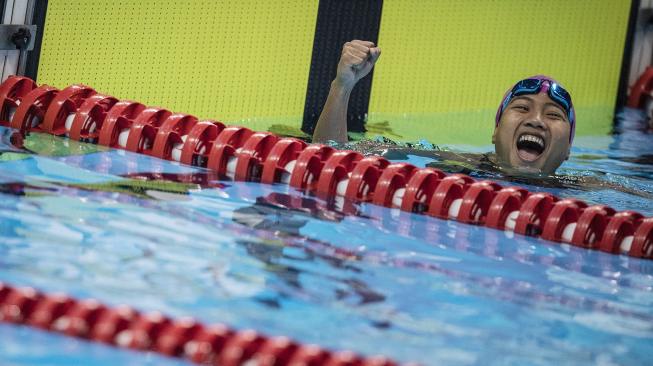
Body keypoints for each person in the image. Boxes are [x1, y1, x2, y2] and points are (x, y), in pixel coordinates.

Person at [312, 40, 575, 176]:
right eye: (522, 108)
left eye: (553, 115)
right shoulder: (450, 165)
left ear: (568, 150)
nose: (536, 121)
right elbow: (334, 156)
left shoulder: (594, 192)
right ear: (495, 132)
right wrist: (342, 86)